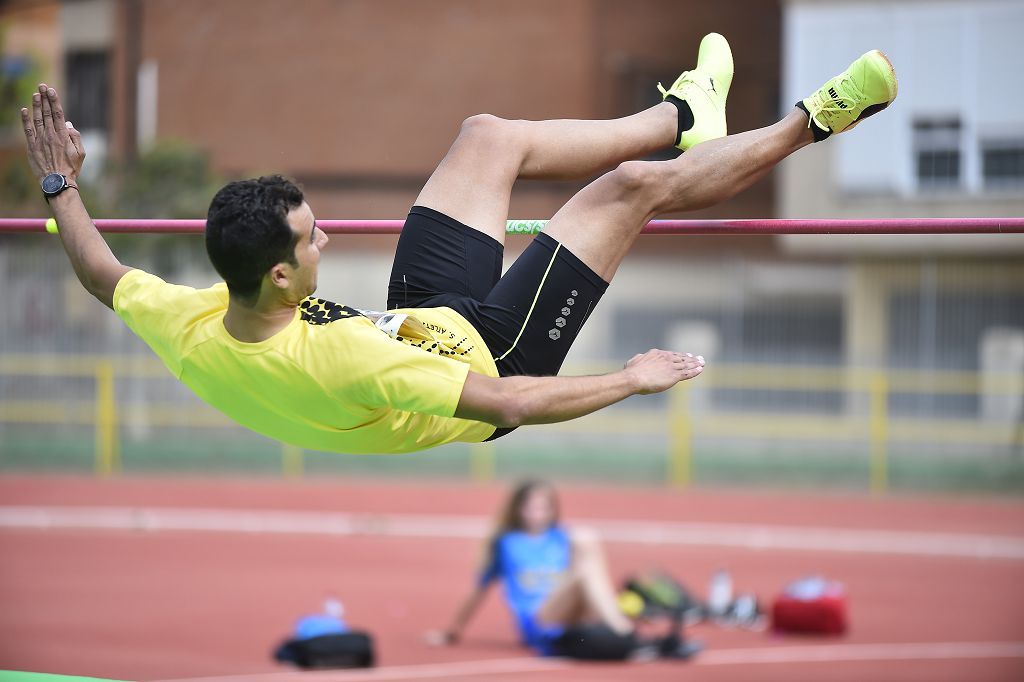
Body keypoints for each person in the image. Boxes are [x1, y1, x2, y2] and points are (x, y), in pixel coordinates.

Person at [18, 34, 897, 454]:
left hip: (417, 319)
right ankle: (818, 120)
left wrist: (61, 185)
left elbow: (102, 272)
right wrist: (631, 378)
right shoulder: (344, 363)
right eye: (312, 234)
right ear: (282, 275)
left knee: (486, 136)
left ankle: (681, 115)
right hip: (491, 355)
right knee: (632, 191)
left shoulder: (196, 318)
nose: (330, 232)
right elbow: (507, 405)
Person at [429, 479, 697, 660]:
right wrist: (453, 631)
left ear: (552, 510)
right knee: (585, 559)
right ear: (518, 508)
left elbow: (586, 585)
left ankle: (626, 632)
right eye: (530, 506)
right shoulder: (507, 543)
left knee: (586, 541)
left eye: (543, 506)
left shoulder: (562, 537)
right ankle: (625, 632)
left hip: (573, 613)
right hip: (541, 618)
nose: (536, 512)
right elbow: (479, 590)